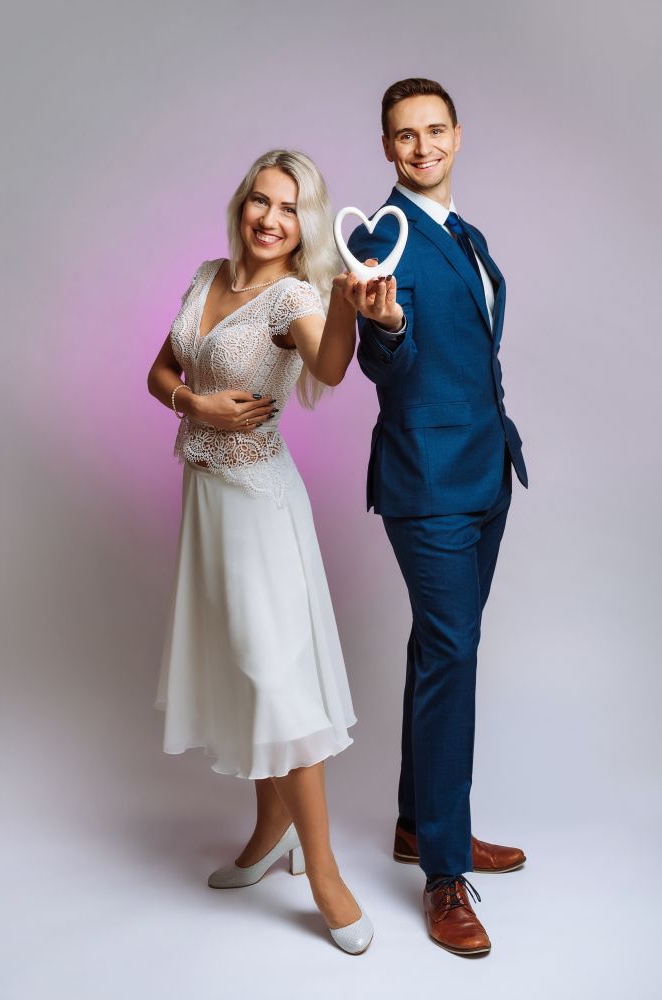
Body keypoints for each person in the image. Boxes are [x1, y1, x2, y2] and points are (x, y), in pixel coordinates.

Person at [148, 149, 395, 954]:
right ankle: (269, 832)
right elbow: (160, 370)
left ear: (304, 225)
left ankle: (323, 872)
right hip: (206, 498)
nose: (270, 218)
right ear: (242, 204)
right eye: (261, 200)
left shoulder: (293, 297)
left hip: (259, 503)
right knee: (240, 666)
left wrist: (350, 305)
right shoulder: (207, 277)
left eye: (289, 209)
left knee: (273, 675)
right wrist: (196, 405)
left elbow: (330, 366)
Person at [345, 79, 529, 956]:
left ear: (457, 134)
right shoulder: (380, 236)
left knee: (439, 648)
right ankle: (444, 876)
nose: (421, 147)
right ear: (387, 147)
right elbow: (391, 355)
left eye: (434, 130)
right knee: (453, 656)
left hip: (486, 472)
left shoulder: (465, 233)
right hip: (427, 481)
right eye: (404, 135)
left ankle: (420, 824)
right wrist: (383, 325)